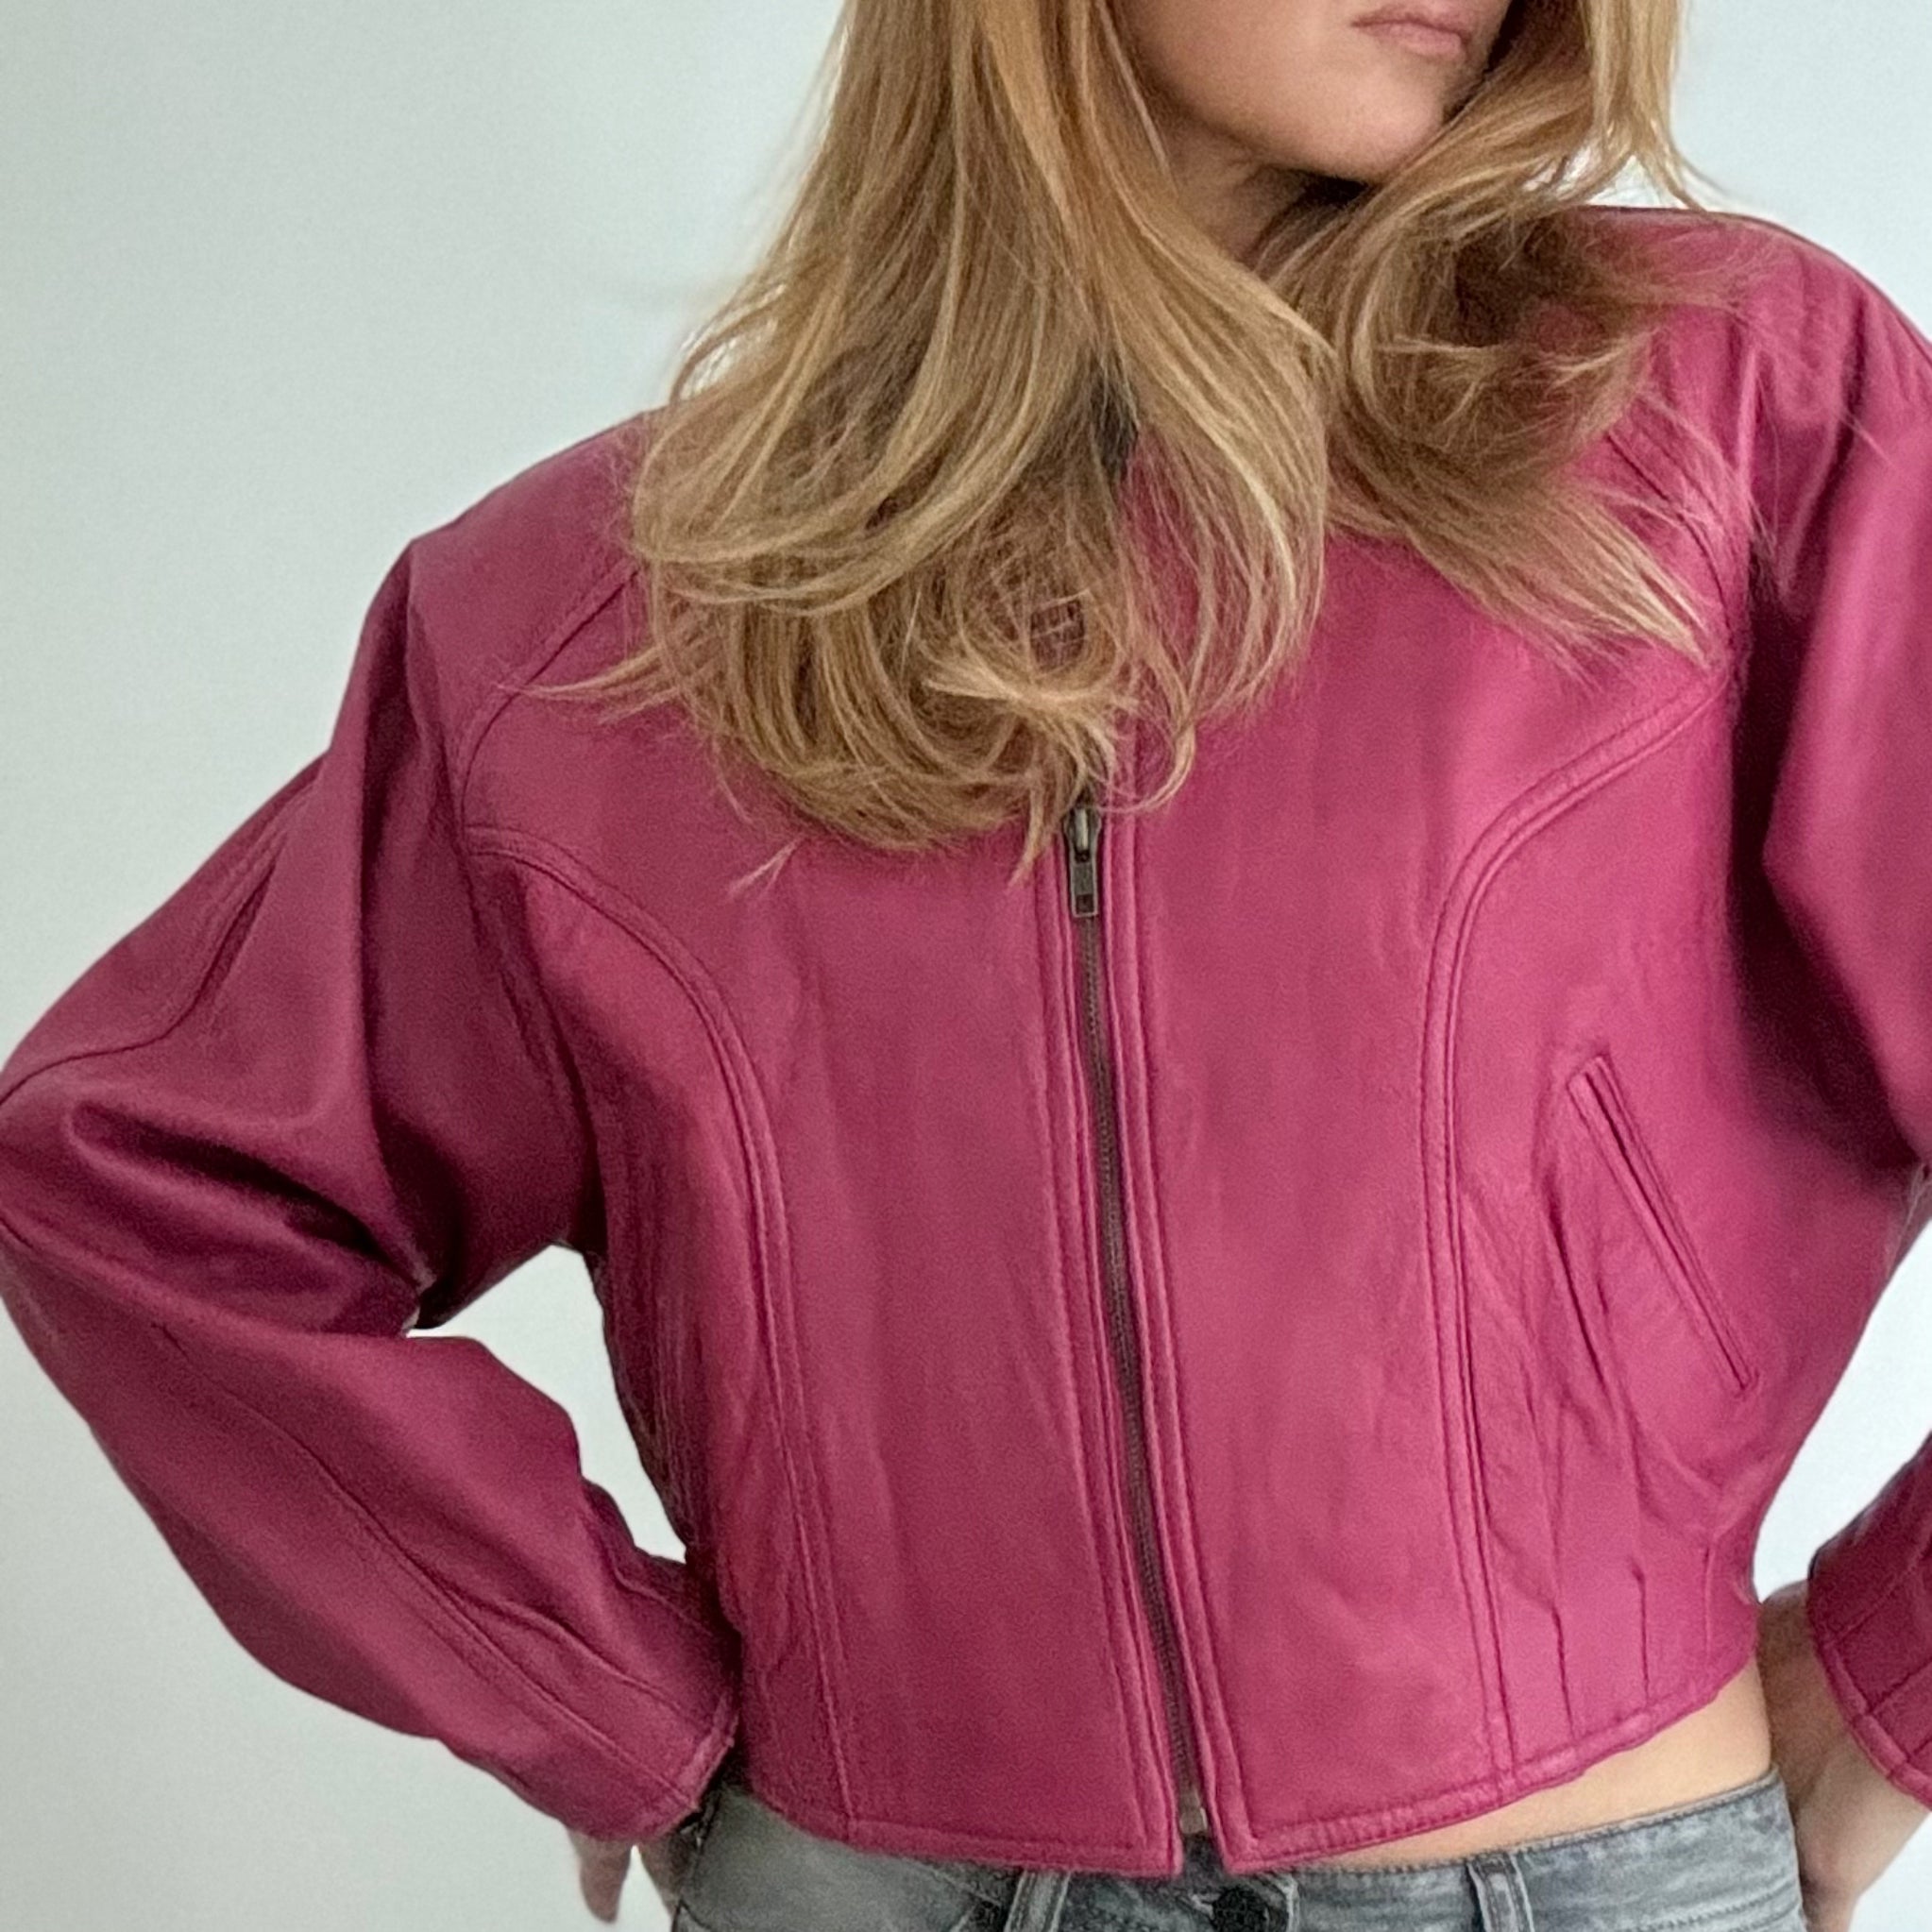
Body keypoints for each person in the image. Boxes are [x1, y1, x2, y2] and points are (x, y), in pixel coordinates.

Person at [5, 0, 1932, 1928]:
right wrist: (584, 1690)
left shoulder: (1721, 408)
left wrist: (1888, 1685)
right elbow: (137, 1184)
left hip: (1576, 1872)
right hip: (875, 1886)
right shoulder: (602, 604)